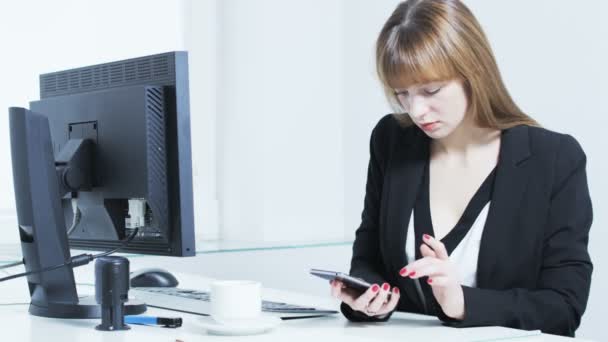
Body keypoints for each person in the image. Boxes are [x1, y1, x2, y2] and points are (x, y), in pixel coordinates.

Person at [330, 0, 593, 337]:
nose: (416, 110)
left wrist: (463, 303)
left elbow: (564, 308)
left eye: (431, 90)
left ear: (474, 71)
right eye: (403, 94)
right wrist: (369, 296)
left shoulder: (554, 159)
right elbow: (369, 257)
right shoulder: (391, 140)